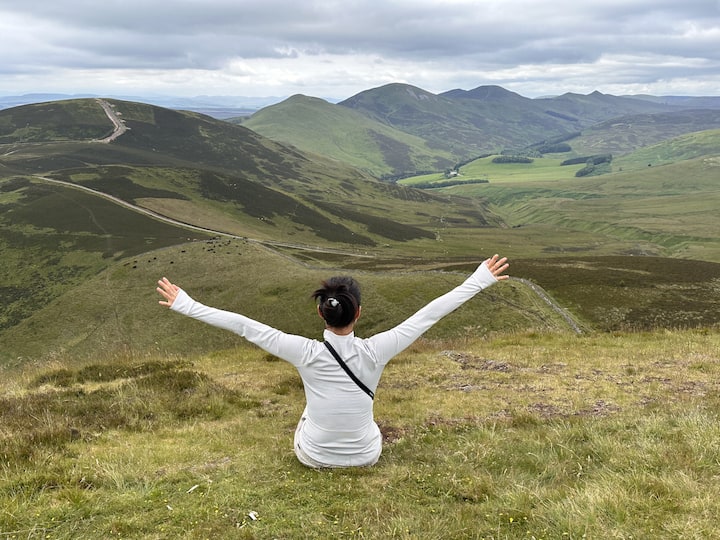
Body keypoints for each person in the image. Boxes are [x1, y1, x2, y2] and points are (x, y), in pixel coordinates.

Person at [156, 254, 509, 468]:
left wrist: (187, 304)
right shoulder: (378, 349)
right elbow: (429, 314)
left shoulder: (304, 352)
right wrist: (480, 279)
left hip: (313, 457)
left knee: (308, 412)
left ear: (320, 313)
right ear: (359, 313)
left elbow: (246, 326)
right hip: (367, 456)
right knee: (364, 420)